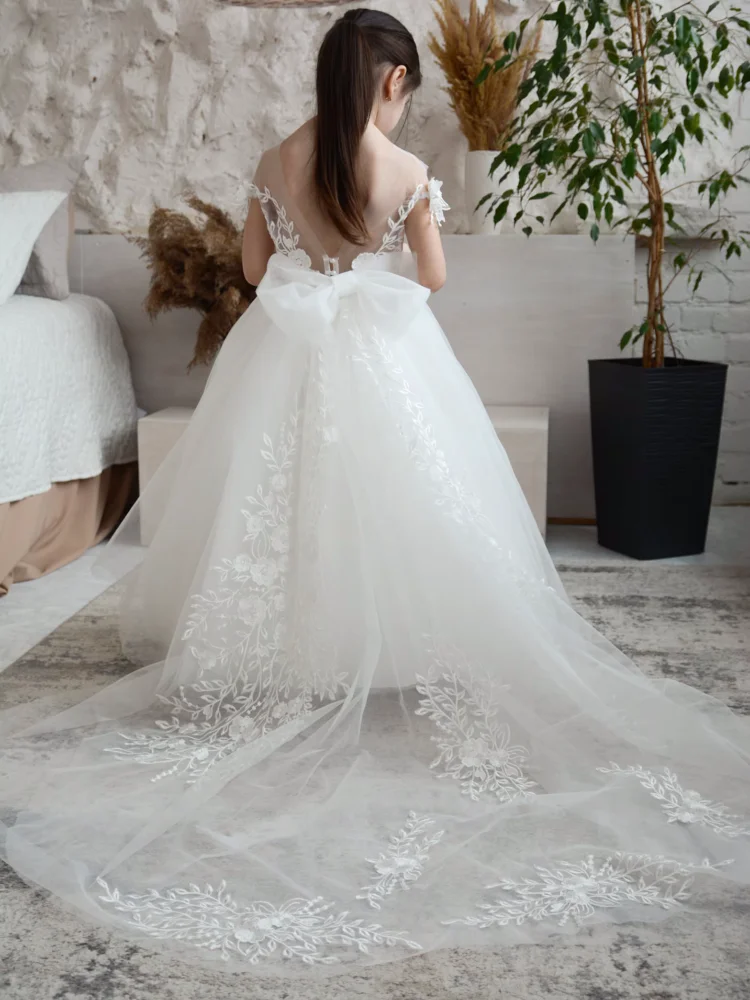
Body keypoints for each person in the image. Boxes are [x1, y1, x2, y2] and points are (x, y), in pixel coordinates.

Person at [1, 8, 748, 979]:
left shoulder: (279, 155)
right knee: (406, 505)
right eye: (408, 90)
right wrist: (376, 267)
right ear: (392, 81)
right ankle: (378, 645)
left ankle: (300, 648)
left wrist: (314, 273)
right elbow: (429, 277)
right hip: (386, 365)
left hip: (286, 359)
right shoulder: (398, 172)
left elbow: (255, 269)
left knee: (285, 506)